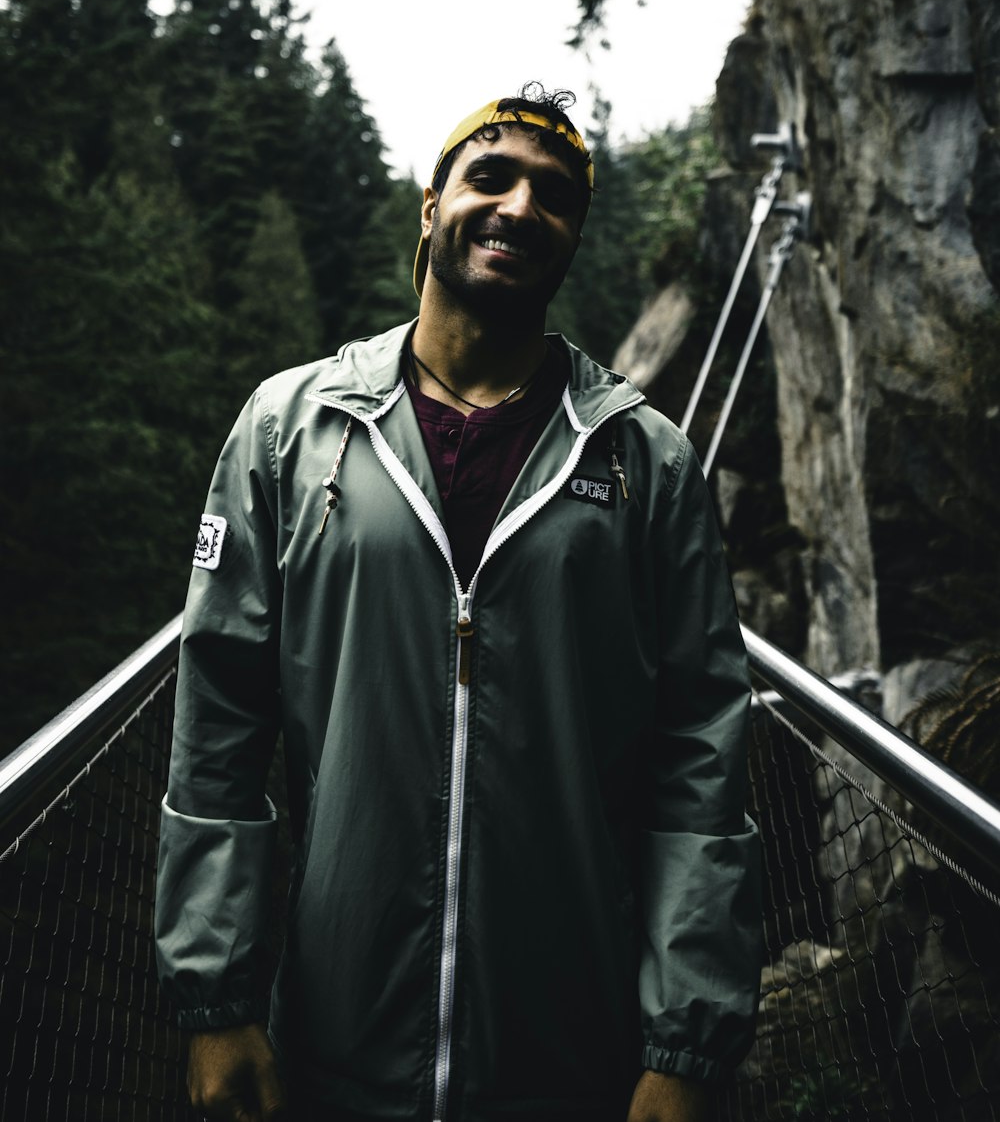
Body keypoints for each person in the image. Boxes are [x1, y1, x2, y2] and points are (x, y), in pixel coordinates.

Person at [155, 85, 762, 1122]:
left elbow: (700, 754)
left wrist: (685, 1039)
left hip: (575, 1043)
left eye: (556, 194)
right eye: (492, 176)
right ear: (430, 206)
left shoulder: (644, 461)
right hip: (336, 1031)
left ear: (572, 234)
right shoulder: (288, 431)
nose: (522, 206)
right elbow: (219, 722)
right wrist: (218, 998)